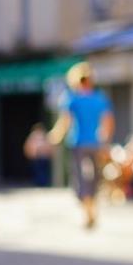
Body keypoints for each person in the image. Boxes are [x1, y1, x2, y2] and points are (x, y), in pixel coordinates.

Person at [48, 62, 114, 229]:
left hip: (78, 143)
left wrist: (55, 136)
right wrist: (105, 142)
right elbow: (108, 122)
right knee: (95, 178)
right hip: (95, 143)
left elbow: (65, 121)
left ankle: (88, 212)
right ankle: (92, 210)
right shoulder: (99, 98)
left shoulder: (72, 98)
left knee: (80, 179)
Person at [23, 123, 53, 187]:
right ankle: (40, 182)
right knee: (39, 170)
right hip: (37, 156)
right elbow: (29, 145)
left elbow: (49, 145)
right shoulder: (34, 135)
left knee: (42, 170)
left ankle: (43, 182)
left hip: (43, 156)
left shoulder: (43, 135)